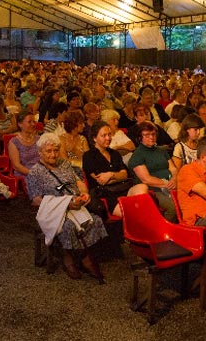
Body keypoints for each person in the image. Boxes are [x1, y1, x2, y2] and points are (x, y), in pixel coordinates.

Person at [26, 133, 108, 282]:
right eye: (48, 151)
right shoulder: (34, 173)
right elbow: (35, 200)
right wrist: (64, 203)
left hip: (76, 205)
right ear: (40, 153)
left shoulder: (65, 164)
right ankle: (71, 258)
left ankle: (83, 254)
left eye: (56, 150)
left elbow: (79, 182)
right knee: (68, 226)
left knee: (94, 220)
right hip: (53, 211)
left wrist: (84, 194)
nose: (53, 154)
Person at [127, 121, 178, 222]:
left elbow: (173, 169)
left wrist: (174, 179)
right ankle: (163, 232)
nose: (151, 137)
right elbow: (146, 179)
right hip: (153, 190)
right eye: (147, 135)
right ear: (140, 137)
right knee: (173, 207)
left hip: (171, 185)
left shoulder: (161, 150)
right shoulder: (138, 155)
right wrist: (167, 184)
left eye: (153, 134)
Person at [82, 121, 131, 218]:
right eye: (104, 135)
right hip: (107, 194)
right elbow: (101, 180)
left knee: (143, 188)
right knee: (133, 213)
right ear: (94, 138)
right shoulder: (89, 156)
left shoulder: (115, 153)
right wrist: (118, 176)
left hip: (124, 188)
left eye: (109, 134)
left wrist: (111, 175)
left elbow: (125, 174)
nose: (108, 138)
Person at [8, 110, 40, 179]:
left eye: (34, 121)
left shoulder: (38, 139)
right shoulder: (14, 142)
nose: (33, 124)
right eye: (29, 122)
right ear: (20, 124)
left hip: (40, 171)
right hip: (25, 174)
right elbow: (16, 166)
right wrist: (33, 174)